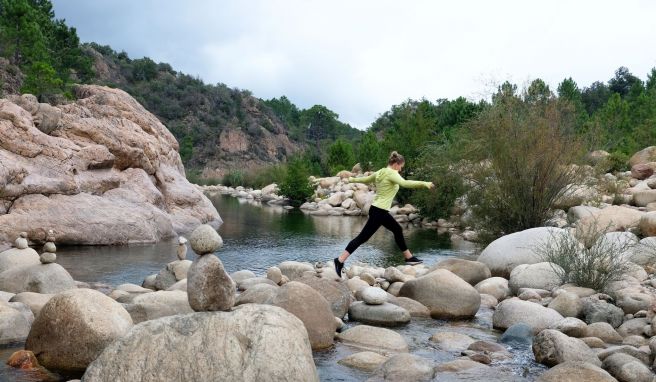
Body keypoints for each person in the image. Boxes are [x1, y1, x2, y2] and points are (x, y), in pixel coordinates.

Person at [333, 151, 434, 276]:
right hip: (379, 211)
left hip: (377, 210)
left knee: (397, 230)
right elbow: (405, 183)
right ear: (396, 164)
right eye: (401, 166)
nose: (401, 169)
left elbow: (366, 179)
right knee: (362, 238)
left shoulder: (380, 172)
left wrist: (351, 179)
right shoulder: (392, 173)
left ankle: (409, 257)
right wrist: (425, 183)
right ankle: (339, 260)